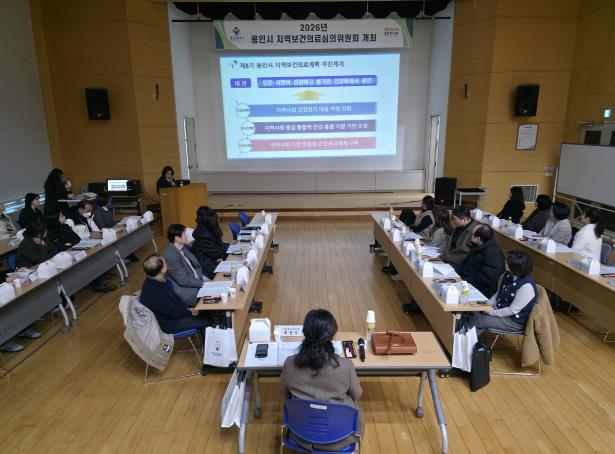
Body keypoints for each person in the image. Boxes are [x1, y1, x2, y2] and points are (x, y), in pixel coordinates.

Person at [280, 309, 364, 451]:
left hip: (299, 435)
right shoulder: (345, 366)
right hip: (340, 438)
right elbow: (357, 394)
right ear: (332, 336)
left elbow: (285, 395)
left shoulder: (289, 363)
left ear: (305, 333)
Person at [140, 254, 214, 335]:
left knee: (208, 312)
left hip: (178, 312)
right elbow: (170, 311)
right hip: (171, 322)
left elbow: (175, 299)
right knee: (207, 322)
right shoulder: (153, 290)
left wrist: (188, 308)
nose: (166, 263)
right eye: (165, 263)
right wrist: (189, 312)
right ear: (162, 270)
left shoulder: (159, 278)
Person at [471, 250, 537, 334]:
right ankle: (467, 339)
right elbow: (498, 293)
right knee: (472, 312)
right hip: (500, 310)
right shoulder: (509, 273)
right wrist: (487, 304)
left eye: (507, 262)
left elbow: (512, 310)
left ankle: (465, 340)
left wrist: (491, 312)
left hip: (512, 321)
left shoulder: (526, 287)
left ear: (515, 269)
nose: (505, 261)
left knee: (477, 321)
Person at [161, 224, 208, 306]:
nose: (187, 236)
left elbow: (194, 267)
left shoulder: (183, 247)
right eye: (184, 234)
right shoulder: (170, 255)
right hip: (187, 290)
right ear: (177, 238)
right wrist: (203, 284)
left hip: (196, 281)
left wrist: (204, 279)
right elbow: (183, 280)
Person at [456, 224, 505, 298]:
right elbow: (464, 264)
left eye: (472, 234)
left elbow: (484, 280)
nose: (470, 235)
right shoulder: (479, 246)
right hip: (466, 281)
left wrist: (462, 281)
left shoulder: (493, 253)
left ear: (478, 239)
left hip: (479, 290)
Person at [192, 206, 229, 279]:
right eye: (217, 219)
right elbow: (216, 252)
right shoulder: (204, 236)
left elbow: (218, 246)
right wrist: (229, 249)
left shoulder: (206, 229)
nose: (218, 220)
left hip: (212, 262)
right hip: (208, 269)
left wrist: (229, 247)